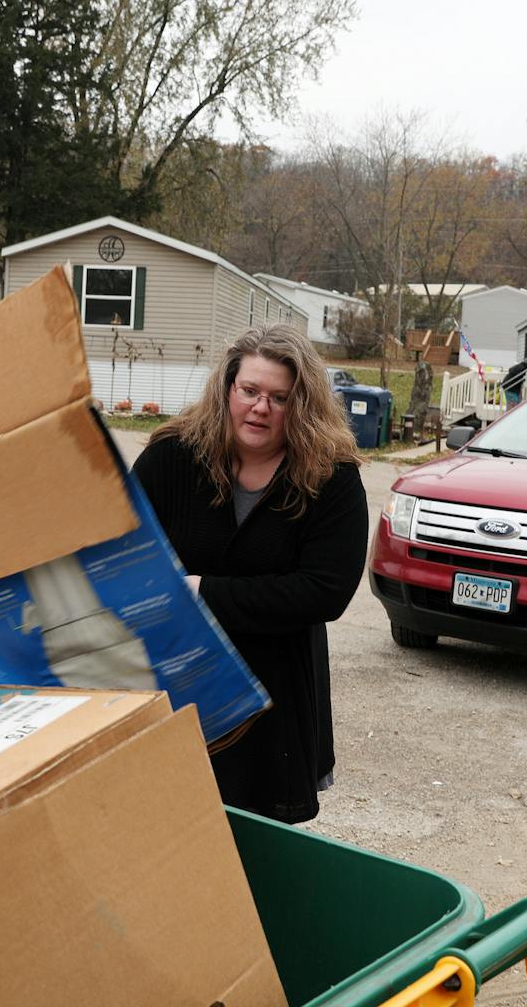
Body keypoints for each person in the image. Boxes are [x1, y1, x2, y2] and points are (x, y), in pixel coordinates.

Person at [131, 325, 368, 824]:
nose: (261, 408)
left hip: (273, 696)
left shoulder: (331, 477)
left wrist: (202, 591)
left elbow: (324, 592)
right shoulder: (172, 457)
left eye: (280, 398)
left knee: (255, 844)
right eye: (250, 391)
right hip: (173, 684)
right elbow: (121, 553)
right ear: (227, 390)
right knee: (162, 825)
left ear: (302, 405)